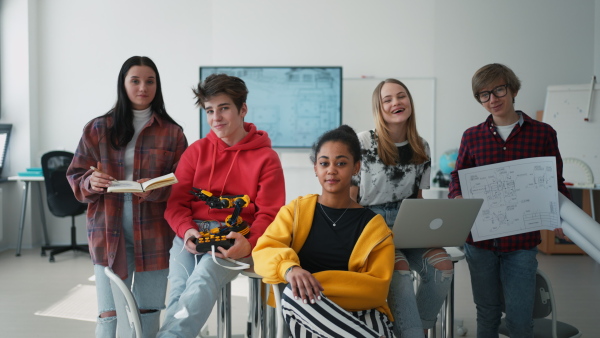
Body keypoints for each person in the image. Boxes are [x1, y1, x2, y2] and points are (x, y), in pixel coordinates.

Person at [66, 55, 188, 338]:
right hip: (108, 232)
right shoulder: (98, 128)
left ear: (157, 85)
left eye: (150, 81)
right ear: (123, 84)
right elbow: (75, 176)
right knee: (109, 315)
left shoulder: (173, 133)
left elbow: (184, 184)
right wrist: (90, 180)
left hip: (154, 234)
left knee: (148, 312)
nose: (142, 87)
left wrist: (155, 187)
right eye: (135, 80)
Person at [157, 73, 286, 337]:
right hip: (191, 233)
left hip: (234, 236)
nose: (216, 117)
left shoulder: (267, 158)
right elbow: (175, 204)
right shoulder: (196, 152)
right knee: (179, 289)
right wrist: (187, 230)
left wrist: (248, 242)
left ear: (243, 109)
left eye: (224, 108)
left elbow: (270, 213)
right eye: (210, 110)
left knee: (203, 278)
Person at [448, 63, 571, 337]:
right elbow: (457, 177)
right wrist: (457, 196)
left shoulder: (543, 133)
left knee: (519, 319)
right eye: (484, 94)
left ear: (513, 89)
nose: (493, 99)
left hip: (521, 243)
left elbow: (555, 183)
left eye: (499, 90)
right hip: (479, 242)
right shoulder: (472, 136)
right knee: (487, 314)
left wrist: (560, 216)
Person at [253, 124, 395, 337]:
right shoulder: (296, 211)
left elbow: (376, 290)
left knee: (298, 289)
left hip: (364, 314)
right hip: (309, 313)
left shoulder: (374, 226)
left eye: (341, 163)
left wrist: (312, 283)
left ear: (356, 168)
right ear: (316, 169)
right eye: (324, 163)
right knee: (294, 292)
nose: (331, 170)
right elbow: (263, 252)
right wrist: (291, 270)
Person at [351, 78, 454, 337]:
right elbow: (350, 199)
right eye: (388, 99)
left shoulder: (421, 146)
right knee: (400, 270)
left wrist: (430, 228)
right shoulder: (362, 143)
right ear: (379, 107)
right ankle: (411, 333)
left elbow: (418, 199)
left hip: (408, 221)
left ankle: (415, 329)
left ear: (409, 102)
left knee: (443, 266)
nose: (396, 102)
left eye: (401, 96)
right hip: (372, 223)